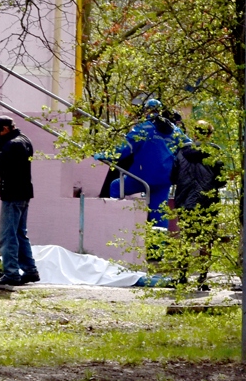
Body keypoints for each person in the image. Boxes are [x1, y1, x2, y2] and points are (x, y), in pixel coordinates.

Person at [96, 99, 189, 227]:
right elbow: (188, 146)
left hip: (142, 177)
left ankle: (114, 225)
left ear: (146, 111)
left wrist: (105, 156)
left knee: (116, 186)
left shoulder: (143, 128)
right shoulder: (175, 130)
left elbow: (125, 148)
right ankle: (159, 245)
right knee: (159, 213)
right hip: (164, 179)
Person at [0, 116, 39, 286]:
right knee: (20, 234)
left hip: (12, 194)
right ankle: (30, 271)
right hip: (23, 193)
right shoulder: (25, 140)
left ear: (5, 128)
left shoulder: (12, 145)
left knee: (7, 235)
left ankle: (12, 273)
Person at [170, 121, 225, 289]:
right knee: (205, 242)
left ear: (194, 133)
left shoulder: (180, 151)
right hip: (207, 203)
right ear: (209, 135)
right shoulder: (215, 152)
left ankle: (182, 277)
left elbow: (172, 177)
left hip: (186, 202)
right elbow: (221, 180)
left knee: (185, 239)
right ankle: (202, 279)